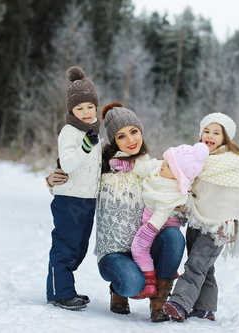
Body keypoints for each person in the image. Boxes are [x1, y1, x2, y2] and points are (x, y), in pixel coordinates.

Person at [95, 102, 186, 322]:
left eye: (134, 132)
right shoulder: (103, 168)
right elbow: (74, 178)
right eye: (122, 136)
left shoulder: (155, 169)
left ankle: (159, 303)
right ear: (113, 140)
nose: (131, 140)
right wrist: (55, 180)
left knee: (174, 236)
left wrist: (182, 206)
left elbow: (183, 183)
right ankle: (118, 291)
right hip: (114, 252)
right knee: (132, 283)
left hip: (144, 246)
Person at [163, 112, 239, 322]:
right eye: (206, 131)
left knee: (195, 266)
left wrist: (228, 223)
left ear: (225, 137)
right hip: (197, 220)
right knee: (204, 267)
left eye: (216, 132)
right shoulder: (195, 159)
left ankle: (179, 303)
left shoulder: (231, 162)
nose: (209, 135)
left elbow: (230, 199)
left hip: (219, 225)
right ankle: (205, 308)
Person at [45, 66, 102, 311]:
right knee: (66, 245)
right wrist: (85, 147)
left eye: (90, 107)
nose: (86, 112)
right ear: (72, 110)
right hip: (69, 199)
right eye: (80, 109)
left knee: (79, 248)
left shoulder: (94, 131)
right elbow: (67, 163)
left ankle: (67, 288)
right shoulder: (70, 132)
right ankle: (59, 293)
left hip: (87, 199)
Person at [130, 142, 209, 300]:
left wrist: (148, 232)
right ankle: (166, 269)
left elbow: (161, 213)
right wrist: (127, 165)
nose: (162, 165)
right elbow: (144, 168)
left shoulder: (174, 192)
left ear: (177, 176)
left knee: (139, 248)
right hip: (152, 222)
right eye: (165, 160)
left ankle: (149, 282)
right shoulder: (160, 169)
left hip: (158, 225)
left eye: (167, 166)